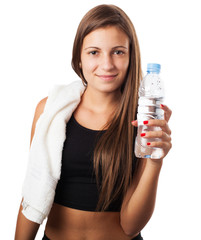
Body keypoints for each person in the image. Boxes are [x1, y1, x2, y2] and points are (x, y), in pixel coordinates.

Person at [15, 4, 172, 240]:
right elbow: (33, 192)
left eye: (118, 52)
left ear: (131, 56)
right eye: (94, 52)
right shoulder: (51, 111)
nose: (107, 64)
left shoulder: (142, 121)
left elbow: (131, 226)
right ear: (78, 56)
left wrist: (155, 161)